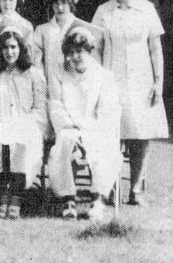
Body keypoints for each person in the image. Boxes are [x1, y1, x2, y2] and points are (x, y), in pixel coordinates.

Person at [92, 0, 168, 206]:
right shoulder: (103, 11)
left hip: (142, 81)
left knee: (141, 135)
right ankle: (110, 189)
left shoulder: (147, 9)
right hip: (111, 81)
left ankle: (135, 190)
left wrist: (159, 82)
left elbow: (155, 48)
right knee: (112, 136)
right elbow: (95, 49)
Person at [0, 27, 47, 219]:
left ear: (20, 48)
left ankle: (17, 195)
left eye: (13, 47)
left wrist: (29, 121)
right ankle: (3, 194)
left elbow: (40, 106)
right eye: (5, 48)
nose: (9, 52)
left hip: (26, 120)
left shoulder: (33, 73)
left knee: (23, 138)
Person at [47, 28, 122, 221]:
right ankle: (68, 199)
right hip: (69, 127)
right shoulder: (60, 74)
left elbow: (108, 112)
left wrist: (89, 129)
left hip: (97, 128)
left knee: (105, 145)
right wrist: (70, 126)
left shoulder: (104, 76)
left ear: (90, 51)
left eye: (79, 51)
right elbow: (56, 105)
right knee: (64, 143)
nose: (75, 56)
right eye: (71, 52)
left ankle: (98, 200)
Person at [31, 0, 93, 83]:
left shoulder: (81, 27)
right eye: (56, 3)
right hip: (51, 85)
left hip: (76, 85)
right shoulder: (42, 30)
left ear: (71, 4)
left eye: (64, 3)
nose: (59, 8)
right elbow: (37, 63)